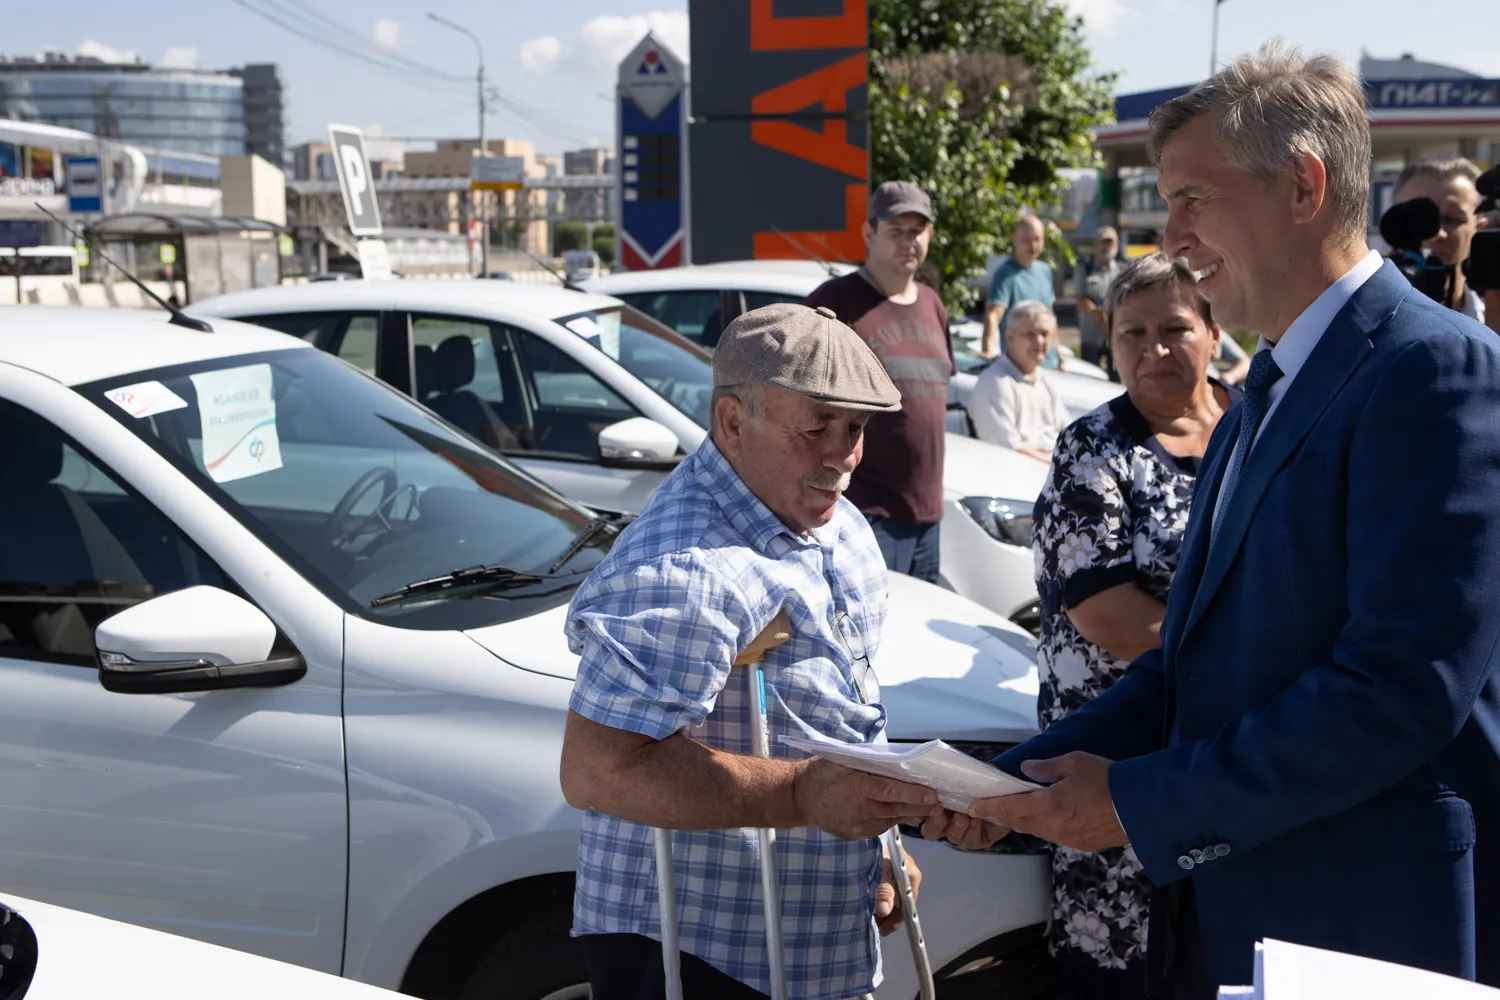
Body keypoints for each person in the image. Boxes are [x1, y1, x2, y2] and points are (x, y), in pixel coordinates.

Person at [924, 42, 1500, 997]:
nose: (1171, 233)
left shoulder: (1435, 371)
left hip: (1365, 919)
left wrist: (1137, 804)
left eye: (1192, 197)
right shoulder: (1262, 390)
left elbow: (1400, 690)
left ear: (1304, 185)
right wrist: (1012, 785)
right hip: (1237, 909)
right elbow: (1197, 668)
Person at [560, 302, 940, 1000]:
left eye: (855, 427)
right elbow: (597, 772)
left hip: (802, 937)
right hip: (699, 952)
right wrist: (803, 794)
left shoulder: (833, 522)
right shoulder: (683, 569)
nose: (844, 453)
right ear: (733, 422)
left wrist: (879, 846)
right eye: (817, 426)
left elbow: (845, 707)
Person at [1032, 253, 1238, 1000]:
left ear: (1215, 333)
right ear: (1109, 345)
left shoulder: (1257, 428)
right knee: (1124, 963)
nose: (1154, 349)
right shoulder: (1094, 447)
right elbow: (1108, 617)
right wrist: (1245, 658)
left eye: (1175, 327)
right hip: (1116, 752)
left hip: (1233, 750)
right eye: (1132, 333)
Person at [805, 181, 953, 585]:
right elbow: (798, 403)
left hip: (928, 517)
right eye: (896, 230)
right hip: (863, 514)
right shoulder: (835, 304)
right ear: (869, 234)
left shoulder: (933, 305)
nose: (909, 241)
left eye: (917, 230)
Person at [966, 300, 1071, 462]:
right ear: (1009, 337)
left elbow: (1069, 433)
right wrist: (1061, 465)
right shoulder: (994, 383)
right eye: (1030, 334)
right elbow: (1007, 451)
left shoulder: (1044, 380)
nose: (1040, 342)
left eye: (1044, 334)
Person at [1390, 156, 1487, 326]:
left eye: (1450, 219)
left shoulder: (1491, 322)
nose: (1436, 234)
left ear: (1479, 229)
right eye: (1418, 218)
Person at [982, 214, 1061, 370]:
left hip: (1048, 364)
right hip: (1019, 368)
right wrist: (987, 351)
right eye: (1026, 240)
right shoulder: (1005, 274)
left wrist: (1060, 358)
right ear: (1014, 240)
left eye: (1037, 239)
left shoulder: (1044, 270)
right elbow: (993, 315)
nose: (1033, 245)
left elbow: (1050, 318)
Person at [1073, 226, 1124, 369]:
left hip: (1115, 337)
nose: (1105, 247)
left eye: (1109, 243)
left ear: (1116, 245)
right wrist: (1100, 314)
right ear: (1095, 245)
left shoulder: (1123, 270)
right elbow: (1080, 298)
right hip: (1091, 337)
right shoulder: (1085, 267)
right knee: (1091, 380)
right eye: (1102, 243)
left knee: (1117, 380)